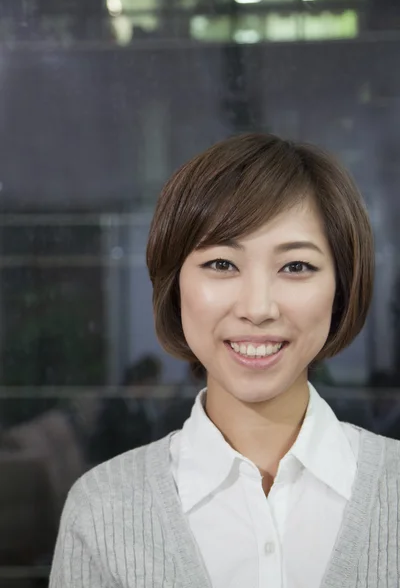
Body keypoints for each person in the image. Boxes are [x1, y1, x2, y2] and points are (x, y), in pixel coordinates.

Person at [49, 133, 400, 588]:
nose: (258, 308)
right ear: (174, 285)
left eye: (295, 266)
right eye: (221, 264)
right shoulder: (102, 511)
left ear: (341, 288)